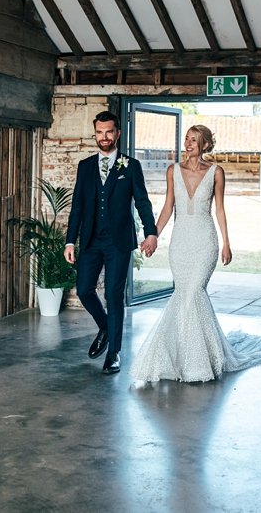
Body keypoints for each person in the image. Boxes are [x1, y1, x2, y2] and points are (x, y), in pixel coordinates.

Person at [130, 125, 261, 384]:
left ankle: (197, 362)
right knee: (184, 295)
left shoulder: (216, 173)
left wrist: (226, 242)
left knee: (193, 293)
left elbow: (220, 210)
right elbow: (168, 207)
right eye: (187, 139)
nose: (188, 143)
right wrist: (153, 235)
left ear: (205, 145)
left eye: (194, 140)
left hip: (205, 241)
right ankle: (179, 357)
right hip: (180, 242)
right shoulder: (173, 171)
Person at [65, 111, 158, 375]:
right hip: (91, 240)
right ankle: (105, 326)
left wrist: (150, 233)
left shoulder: (130, 166)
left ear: (117, 133)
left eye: (108, 132)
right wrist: (70, 241)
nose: (104, 137)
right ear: (95, 134)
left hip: (118, 241)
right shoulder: (85, 166)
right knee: (84, 289)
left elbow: (142, 201)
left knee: (113, 295)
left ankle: (114, 352)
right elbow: (78, 206)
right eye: (99, 132)